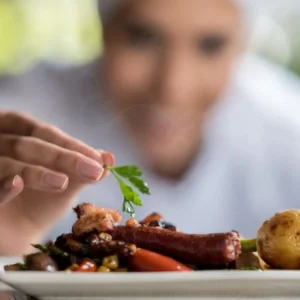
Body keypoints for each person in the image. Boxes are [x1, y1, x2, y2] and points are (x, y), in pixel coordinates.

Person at [1, 0, 300, 256]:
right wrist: (9, 247)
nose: (173, 87)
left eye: (210, 45)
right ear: (104, 28)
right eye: (143, 38)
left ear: (243, 45)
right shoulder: (24, 119)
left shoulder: (288, 135)